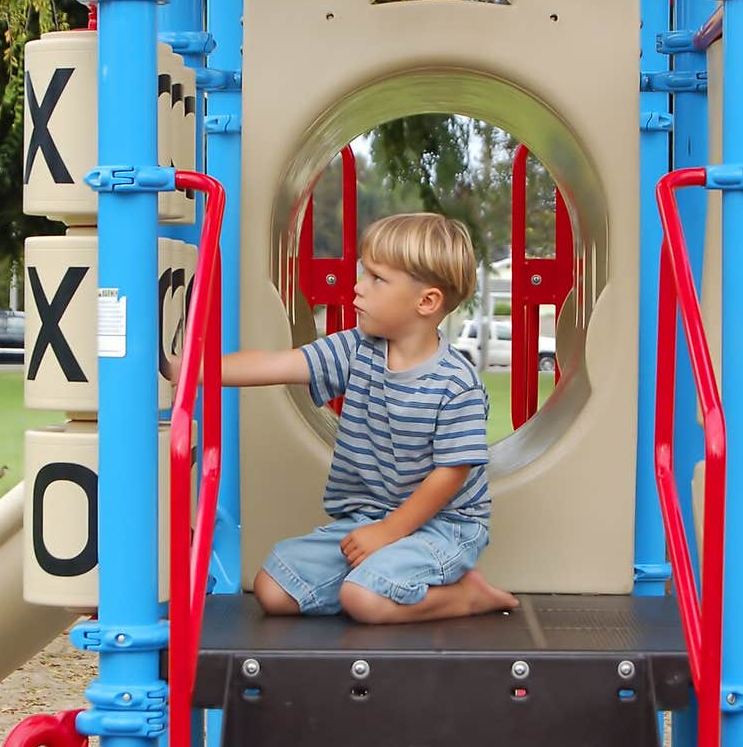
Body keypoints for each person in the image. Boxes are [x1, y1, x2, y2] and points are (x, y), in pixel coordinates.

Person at [221, 211, 520, 624]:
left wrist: (389, 532)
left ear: (427, 301)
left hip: (445, 526)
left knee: (365, 600)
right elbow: (276, 364)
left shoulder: (456, 384)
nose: (357, 288)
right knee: (274, 588)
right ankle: (379, 580)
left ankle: (468, 596)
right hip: (371, 518)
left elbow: (451, 474)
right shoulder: (358, 349)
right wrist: (189, 369)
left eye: (377, 279)